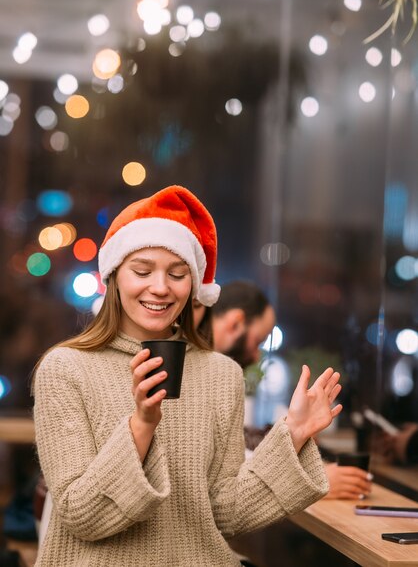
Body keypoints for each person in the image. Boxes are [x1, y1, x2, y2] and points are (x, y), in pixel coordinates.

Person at [33, 184, 343, 566]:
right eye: (142, 271)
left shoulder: (222, 374)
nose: (160, 288)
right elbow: (81, 516)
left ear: (194, 286)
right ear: (114, 276)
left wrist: (294, 434)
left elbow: (225, 512)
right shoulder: (65, 369)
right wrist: (142, 425)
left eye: (178, 275)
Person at [194, 282, 373, 501]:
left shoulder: (214, 373)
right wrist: (308, 481)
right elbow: (220, 477)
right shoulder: (195, 374)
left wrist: (297, 431)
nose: (257, 356)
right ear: (235, 323)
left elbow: (232, 451)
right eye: (258, 341)